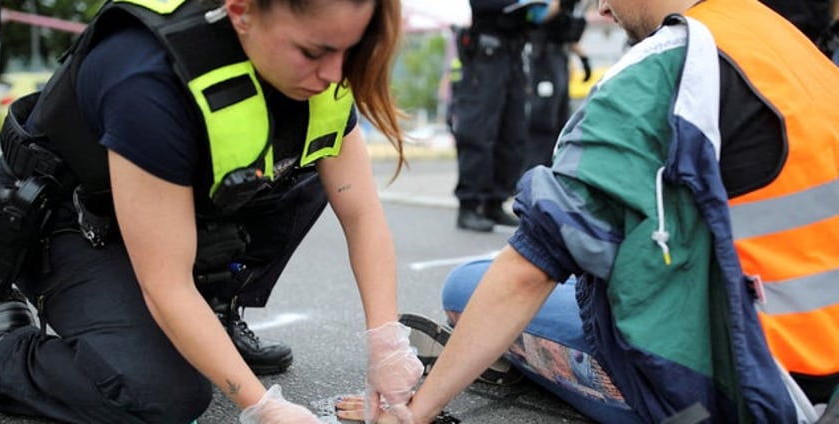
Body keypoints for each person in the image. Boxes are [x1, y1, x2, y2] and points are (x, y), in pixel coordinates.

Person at [340, 0, 839, 422]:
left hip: (752, 393)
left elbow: (528, 270)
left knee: (468, 286)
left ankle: (506, 360)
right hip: (820, 366)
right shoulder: (788, 41)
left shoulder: (666, 66)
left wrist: (417, 411)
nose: (601, 7)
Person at [0, 0, 424, 422]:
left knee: (300, 172)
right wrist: (263, 407)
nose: (333, 74)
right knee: (161, 395)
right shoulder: (148, 78)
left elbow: (361, 214)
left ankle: (213, 315)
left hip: (166, 211)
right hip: (64, 214)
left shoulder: (320, 66)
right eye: (314, 52)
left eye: (348, 50)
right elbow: (165, 284)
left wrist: (388, 344)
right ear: (241, 12)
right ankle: (2, 345)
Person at [449, 0, 550, 232]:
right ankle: (470, 204)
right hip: (486, 55)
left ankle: (495, 201)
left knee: (512, 133)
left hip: (513, 52)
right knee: (479, 130)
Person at [524, 0, 590, 170]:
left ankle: (554, 172)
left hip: (559, 58)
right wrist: (556, 4)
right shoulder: (542, 4)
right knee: (543, 121)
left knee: (561, 120)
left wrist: (583, 58)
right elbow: (537, 20)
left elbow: (564, 33)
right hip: (543, 60)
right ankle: (534, 173)